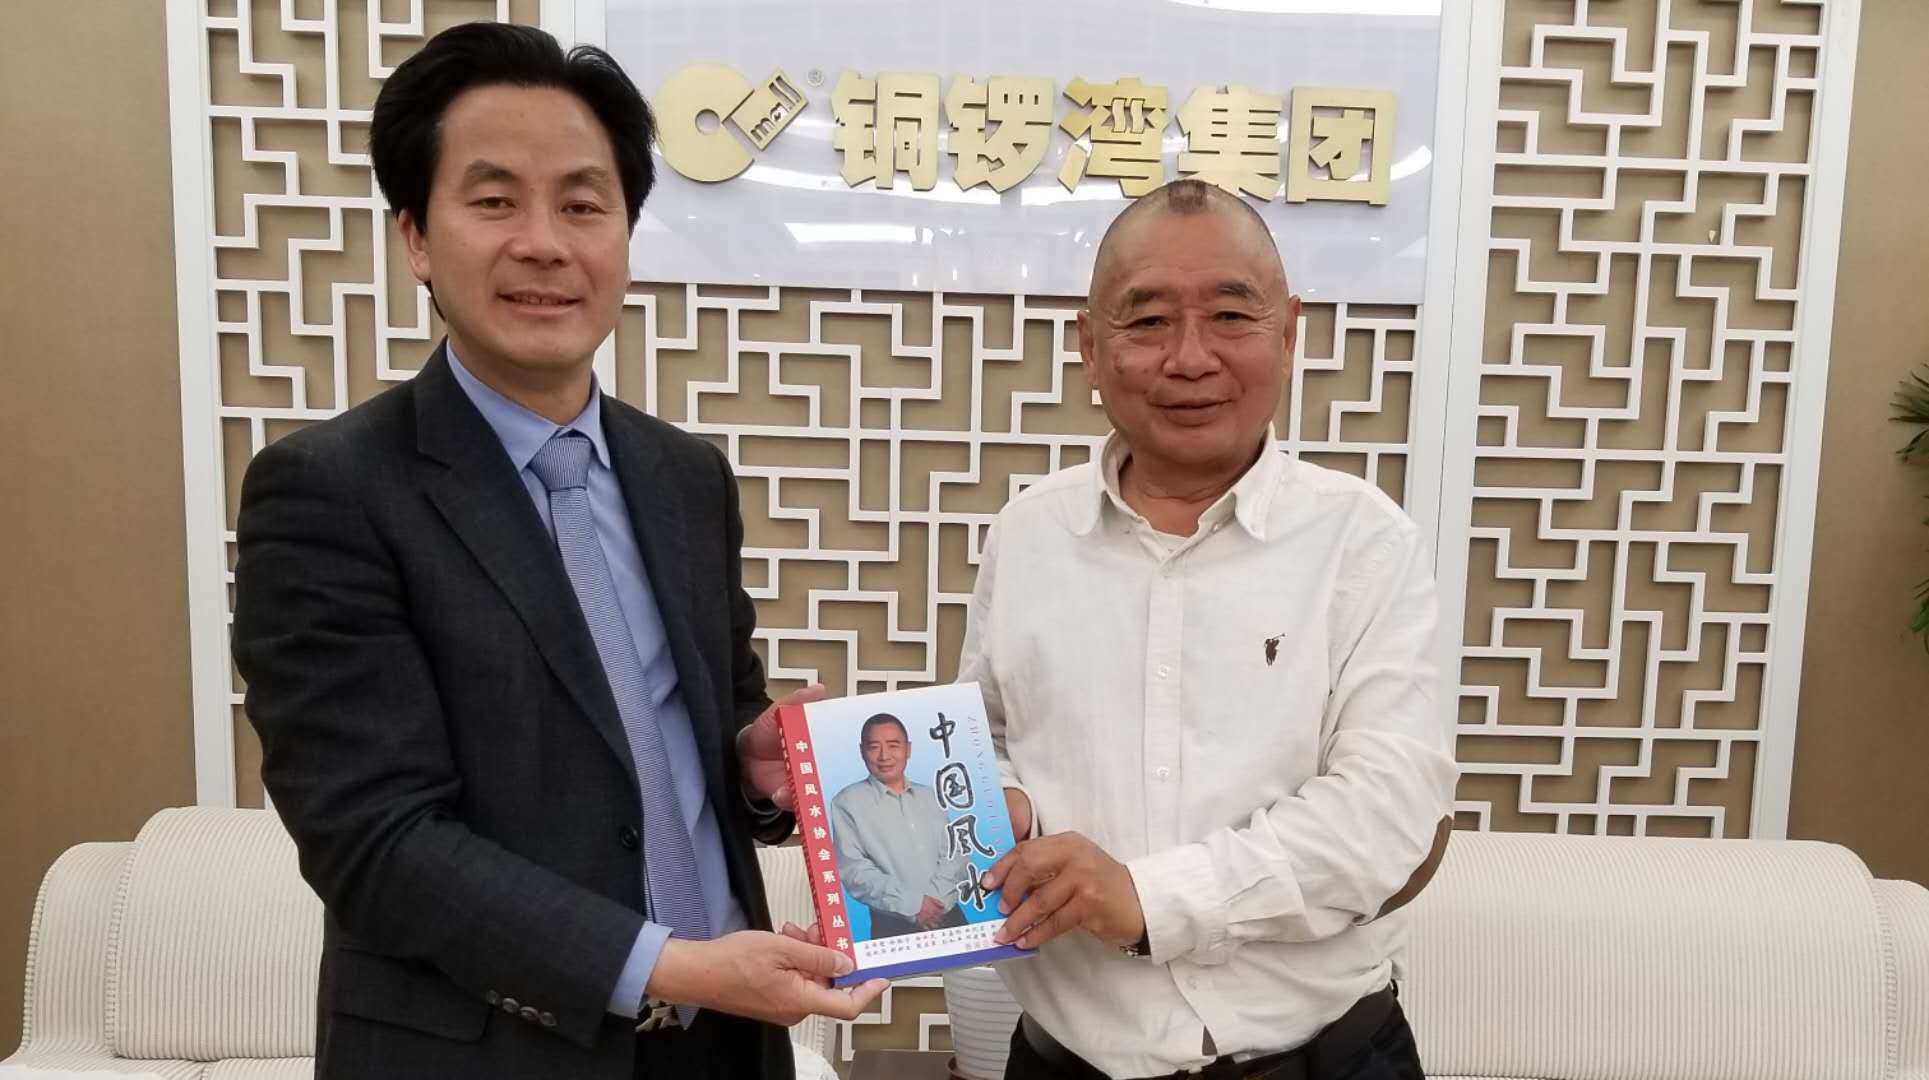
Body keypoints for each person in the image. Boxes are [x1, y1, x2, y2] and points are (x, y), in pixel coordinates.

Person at [229, 23, 884, 1080]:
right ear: (415, 238)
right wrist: (667, 966)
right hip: (482, 1055)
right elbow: (375, 839)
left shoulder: (685, 477)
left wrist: (755, 766)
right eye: (494, 201)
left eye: (583, 205)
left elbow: (696, 730)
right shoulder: (328, 490)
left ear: (625, 234)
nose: (544, 243)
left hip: (724, 1046)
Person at [960, 179, 1458, 1080]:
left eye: (1230, 315)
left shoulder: (1364, 540)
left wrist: (1148, 899)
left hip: (1322, 1061)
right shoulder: (1026, 534)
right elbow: (985, 738)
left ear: (1287, 333)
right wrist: (1002, 803)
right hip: (1065, 1063)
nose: (1189, 358)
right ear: (1090, 346)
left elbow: (1385, 815)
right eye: (1147, 321)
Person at [829, 713, 971, 939]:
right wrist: (914, 905)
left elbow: (955, 853)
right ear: (862, 751)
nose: (884, 756)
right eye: (874, 747)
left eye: (893, 745)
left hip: (949, 915)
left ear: (908, 749)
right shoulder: (846, 802)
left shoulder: (930, 795)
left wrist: (935, 903)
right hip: (892, 926)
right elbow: (854, 870)